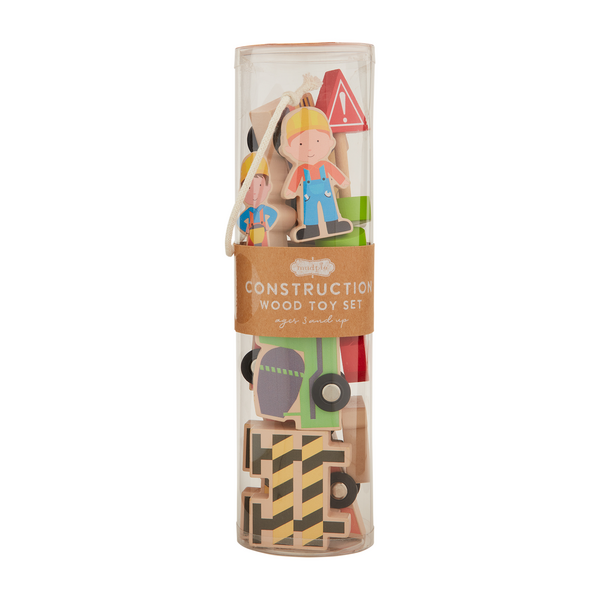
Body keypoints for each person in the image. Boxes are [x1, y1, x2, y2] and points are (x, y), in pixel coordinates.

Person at [280, 107, 353, 241]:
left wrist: (342, 181)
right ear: (288, 149)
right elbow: (294, 180)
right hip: (308, 195)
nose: (309, 148)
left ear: (330, 142)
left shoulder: (325, 165)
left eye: (317, 141)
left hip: (326, 192)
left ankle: (334, 224)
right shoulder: (300, 169)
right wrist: (290, 190)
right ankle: (311, 229)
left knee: (329, 207)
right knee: (309, 211)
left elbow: (335, 174)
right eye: (300, 144)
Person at [237, 153, 278, 247]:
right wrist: (246, 228)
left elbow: (274, 214)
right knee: (251, 247)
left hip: (263, 236)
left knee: (264, 246)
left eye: (260, 186)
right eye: (248, 188)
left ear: (268, 187)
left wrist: (268, 224)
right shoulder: (248, 211)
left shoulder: (265, 209)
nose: (254, 192)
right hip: (251, 237)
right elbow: (239, 221)